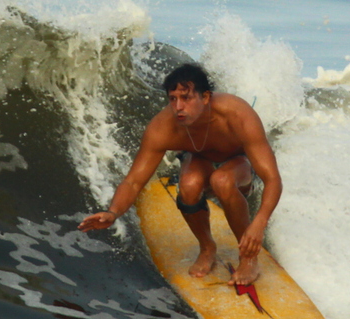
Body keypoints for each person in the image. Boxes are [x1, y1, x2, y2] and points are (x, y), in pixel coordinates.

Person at [78, 63, 281, 286]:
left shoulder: (237, 115)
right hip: (199, 157)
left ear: (205, 97)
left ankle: (249, 257)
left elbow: (272, 179)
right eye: (173, 99)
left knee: (222, 180)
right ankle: (207, 247)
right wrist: (113, 212)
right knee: (189, 186)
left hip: (238, 162)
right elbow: (134, 181)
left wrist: (259, 223)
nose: (178, 107)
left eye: (186, 98)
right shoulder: (163, 127)